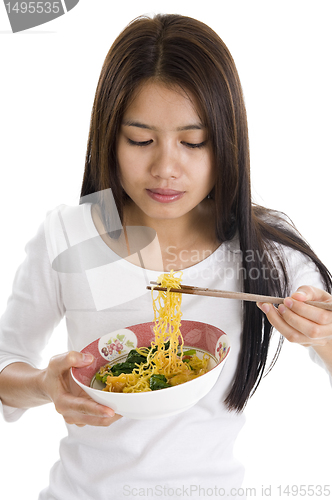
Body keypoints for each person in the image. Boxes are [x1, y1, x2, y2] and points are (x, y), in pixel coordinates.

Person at [0, 13, 332, 500]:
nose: (165, 168)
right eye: (141, 140)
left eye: (193, 142)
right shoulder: (73, 234)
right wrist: (45, 386)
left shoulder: (263, 248)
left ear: (227, 143)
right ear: (109, 138)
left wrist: (323, 333)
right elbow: (6, 368)